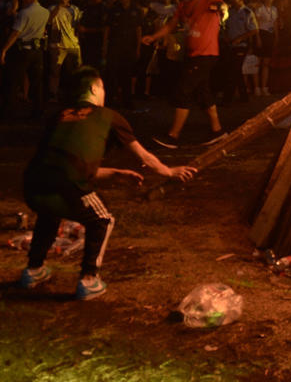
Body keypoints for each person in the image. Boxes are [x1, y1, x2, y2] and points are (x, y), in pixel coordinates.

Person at [18, 66, 196, 299]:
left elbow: (66, 164)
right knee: (102, 219)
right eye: (103, 88)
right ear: (94, 88)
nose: (105, 93)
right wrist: (169, 172)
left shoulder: (59, 116)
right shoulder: (110, 116)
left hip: (33, 185)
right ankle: (89, 279)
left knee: (49, 213)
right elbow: (143, 156)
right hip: (68, 185)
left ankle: (33, 270)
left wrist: (114, 173)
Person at [144, 0, 227, 148]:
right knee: (203, 93)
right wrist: (154, 37)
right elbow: (171, 25)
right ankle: (218, 131)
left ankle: (173, 136)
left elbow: (223, 8)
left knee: (183, 90)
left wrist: (221, 10)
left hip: (206, 54)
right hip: (193, 55)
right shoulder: (184, 5)